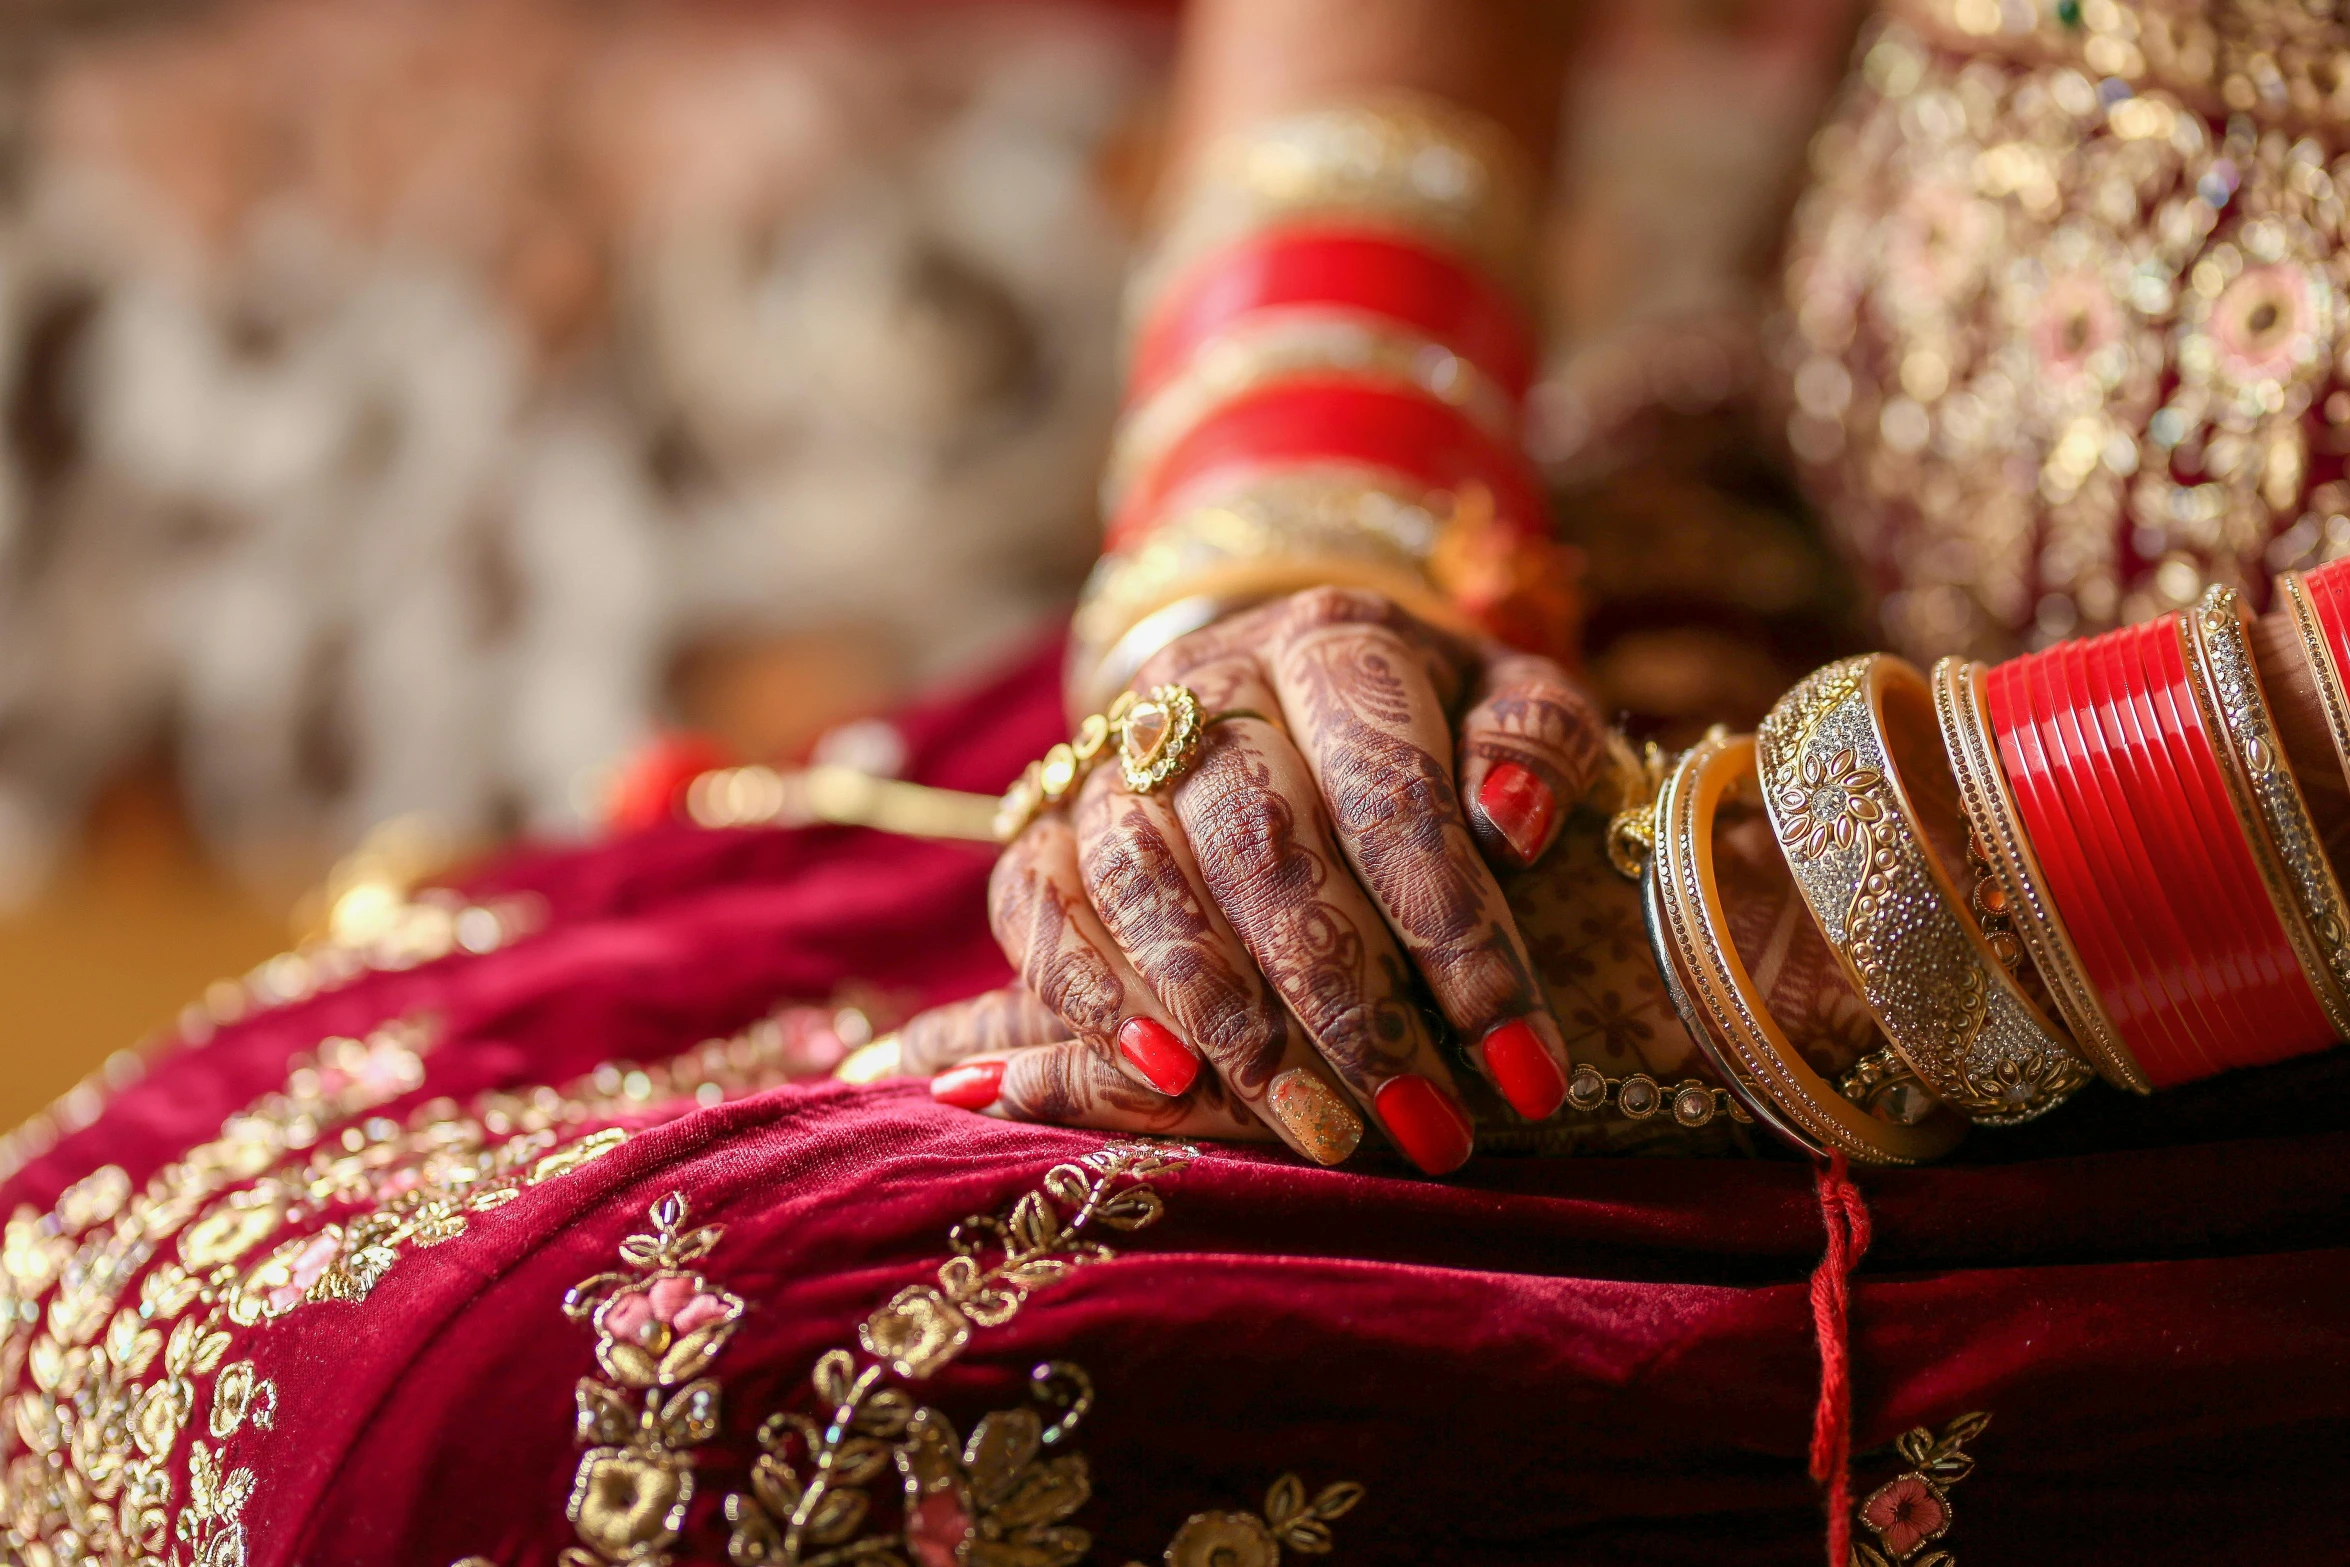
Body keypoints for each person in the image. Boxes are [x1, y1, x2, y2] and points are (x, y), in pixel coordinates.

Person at [6, 1, 2350, 1563]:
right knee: (156, 1271)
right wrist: (1278, 559)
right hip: (1735, 578)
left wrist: (1808, 914)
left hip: (2215, 953)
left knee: (609, 1455)